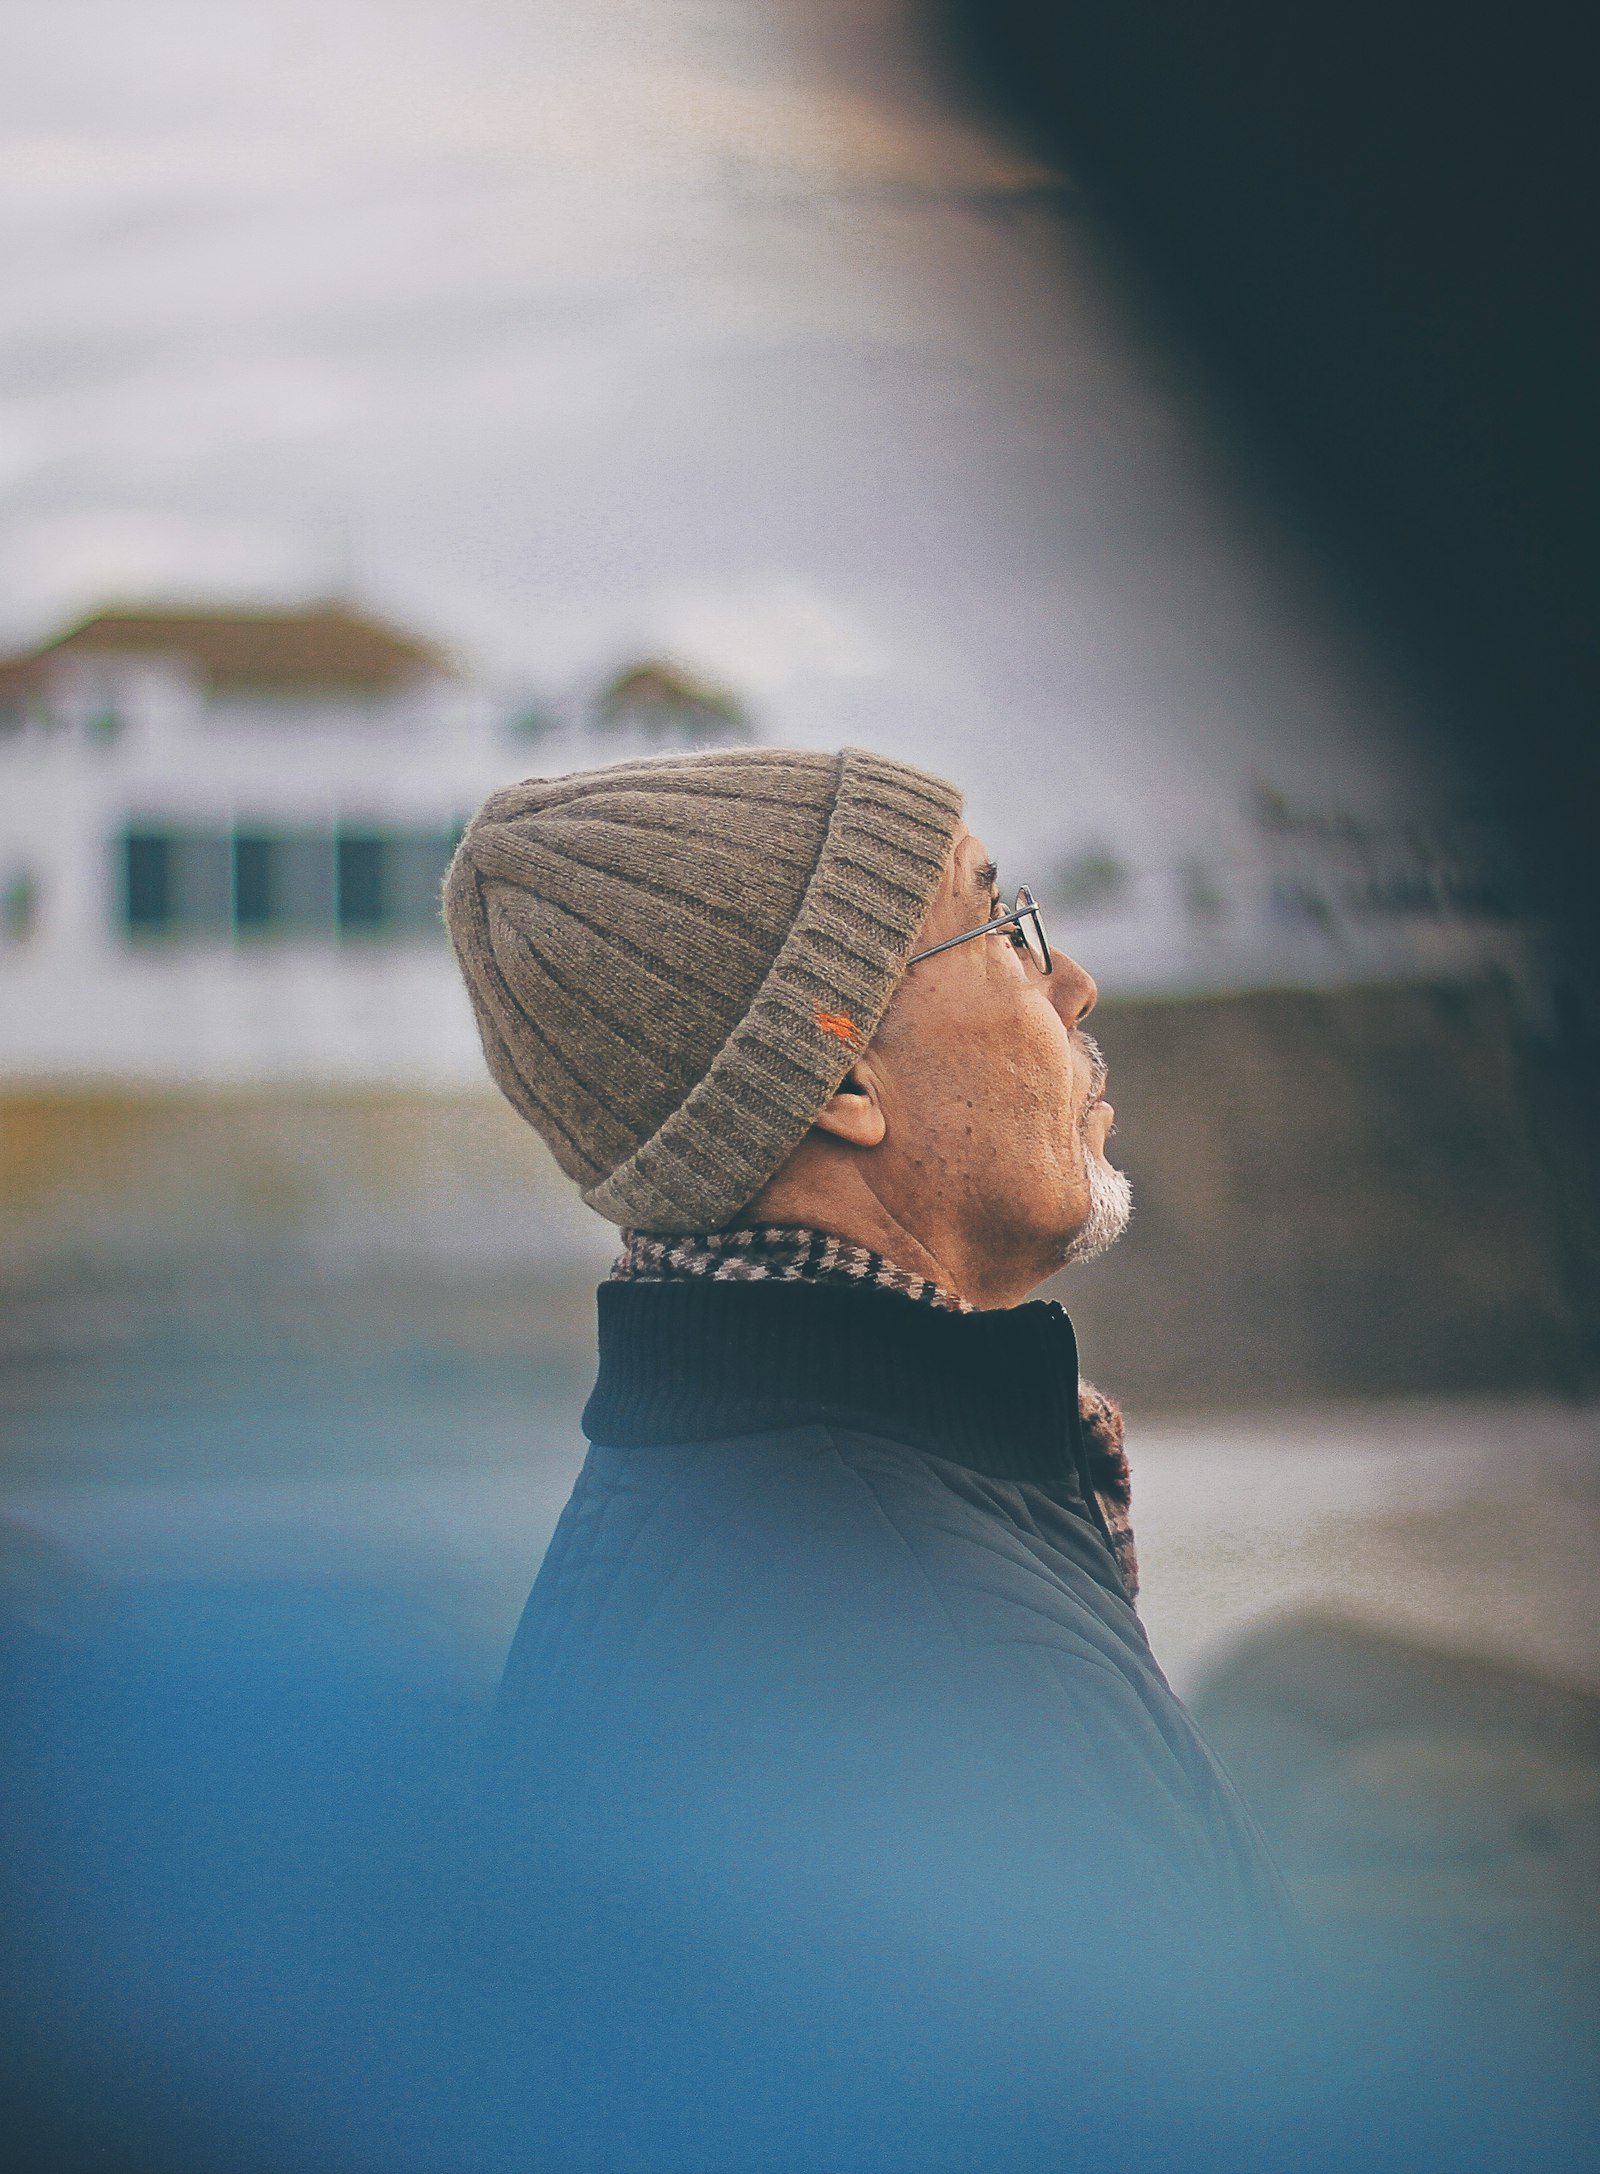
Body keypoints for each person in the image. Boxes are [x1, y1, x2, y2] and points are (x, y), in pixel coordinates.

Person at [443, 745, 1293, 2172]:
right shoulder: (929, 1645)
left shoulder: (733, 1483)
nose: (1070, 981)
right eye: (999, 922)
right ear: (841, 1074)